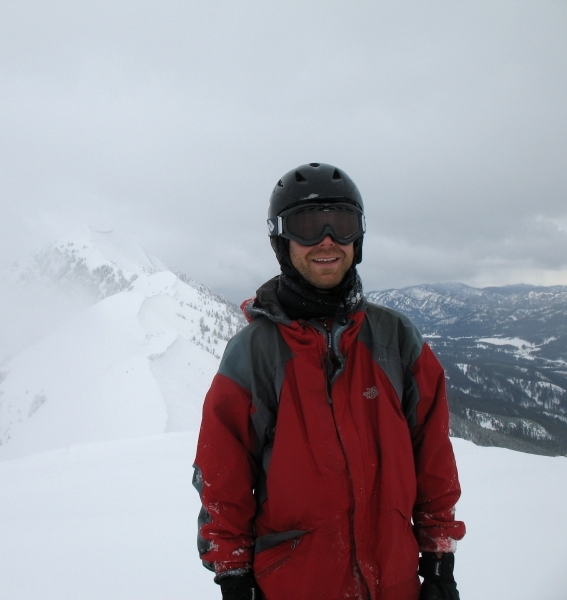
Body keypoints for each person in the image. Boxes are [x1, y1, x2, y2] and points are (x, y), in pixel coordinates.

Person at [192, 163, 465, 600]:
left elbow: (433, 461)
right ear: (281, 240)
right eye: (306, 226)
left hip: (394, 586)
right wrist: (234, 577)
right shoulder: (255, 354)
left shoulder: (397, 340)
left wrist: (438, 561)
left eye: (341, 225)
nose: (326, 241)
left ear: (358, 237)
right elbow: (221, 478)